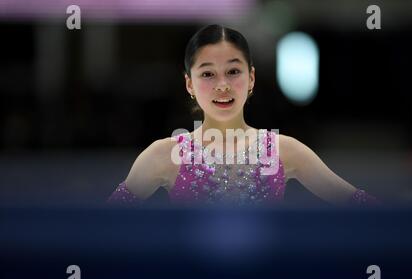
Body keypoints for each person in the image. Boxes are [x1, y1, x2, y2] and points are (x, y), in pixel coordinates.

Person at [108, 24, 378, 207]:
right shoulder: (163, 155)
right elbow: (102, 225)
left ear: (251, 78)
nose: (222, 85)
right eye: (208, 74)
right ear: (189, 83)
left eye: (233, 71)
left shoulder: (284, 151)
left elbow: (363, 207)